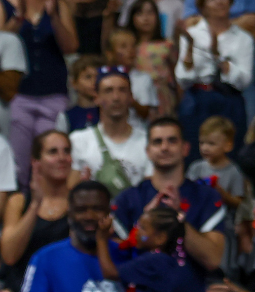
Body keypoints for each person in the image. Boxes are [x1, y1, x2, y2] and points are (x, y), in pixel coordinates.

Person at [111, 117, 226, 283]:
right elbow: (117, 259)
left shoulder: (207, 197)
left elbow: (212, 260)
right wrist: (145, 224)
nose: (164, 147)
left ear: (185, 148)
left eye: (172, 141)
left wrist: (178, 218)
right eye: (157, 142)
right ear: (148, 151)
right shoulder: (128, 199)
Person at [2, 0, 78, 187]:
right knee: (18, 164)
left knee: (54, 161)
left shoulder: (57, 3)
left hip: (53, 92)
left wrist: (53, 16)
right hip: (18, 96)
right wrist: (17, 22)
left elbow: (70, 47)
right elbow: (1, 45)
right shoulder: (4, 4)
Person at [176, 0, 255, 161]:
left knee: (230, 155)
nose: (219, 2)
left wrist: (218, 58)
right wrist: (189, 54)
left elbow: (244, 80)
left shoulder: (243, 38)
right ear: (203, 7)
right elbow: (182, 77)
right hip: (197, 99)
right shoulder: (192, 34)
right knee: (194, 155)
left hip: (229, 100)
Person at [1, 131, 72, 291]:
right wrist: (35, 205)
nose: (62, 157)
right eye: (52, 152)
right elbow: (9, 256)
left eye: (66, 151)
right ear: (36, 161)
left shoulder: (78, 203)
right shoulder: (19, 202)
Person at [70, 66, 151, 196]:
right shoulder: (78, 140)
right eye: (108, 91)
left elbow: (149, 192)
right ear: (96, 97)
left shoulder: (148, 142)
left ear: (131, 97)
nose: (116, 97)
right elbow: (70, 192)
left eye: (122, 90)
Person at [20, 181, 115, 292]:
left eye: (97, 209)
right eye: (81, 210)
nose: (89, 216)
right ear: (69, 214)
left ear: (109, 212)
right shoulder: (45, 259)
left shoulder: (126, 254)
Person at [185, 116, 245, 280]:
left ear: (228, 145)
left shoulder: (233, 171)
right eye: (202, 143)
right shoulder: (196, 168)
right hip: (197, 225)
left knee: (222, 269)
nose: (205, 148)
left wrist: (220, 192)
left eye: (211, 143)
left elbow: (238, 202)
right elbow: (186, 192)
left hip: (224, 228)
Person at [95, 204, 199, 292]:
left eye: (143, 228)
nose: (137, 231)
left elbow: (111, 273)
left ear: (160, 238)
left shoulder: (155, 260)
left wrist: (101, 238)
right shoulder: (167, 261)